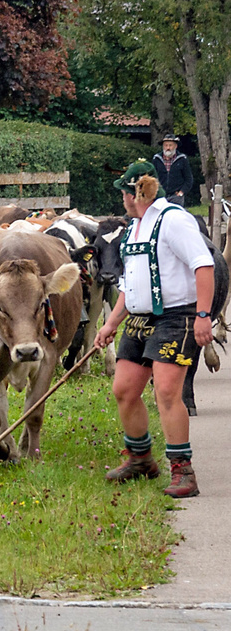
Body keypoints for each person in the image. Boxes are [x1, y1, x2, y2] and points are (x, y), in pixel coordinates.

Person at [93, 161, 213, 498]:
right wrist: (111, 324)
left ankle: (183, 471)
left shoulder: (173, 220)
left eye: (124, 192)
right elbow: (129, 285)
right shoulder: (134, 227)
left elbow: (203, 265)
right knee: (124, 388)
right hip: (140, 319)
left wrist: (203, 314)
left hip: (177, 317)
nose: (122, 199)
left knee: (166, 391)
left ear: (135, 192)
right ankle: (141, 459)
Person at [153, 135, 195, 207]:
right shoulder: (156, 159)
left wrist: (181, 192)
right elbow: (152, 177)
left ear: (176, 146)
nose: (168, 148)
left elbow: (189, 179)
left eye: (170, 145)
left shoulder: (182, 159)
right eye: (166, 145)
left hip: (176, 197)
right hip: (160, 196)